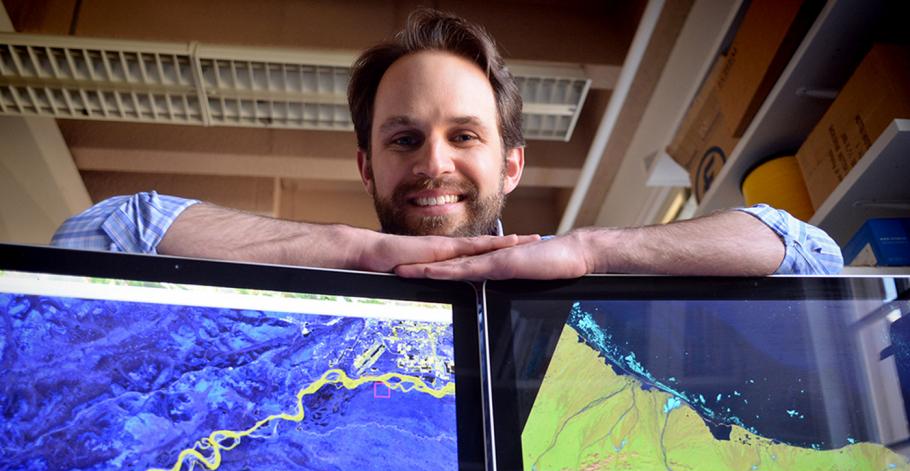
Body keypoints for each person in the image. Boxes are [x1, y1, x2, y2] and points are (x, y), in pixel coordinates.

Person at [51, 9, 843, 279]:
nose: (433, 163)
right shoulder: (323, 282)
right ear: (366, 166)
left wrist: (590, 251)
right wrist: (351, 249)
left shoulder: (576, 280)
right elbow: (97, 232)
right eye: (404, 139)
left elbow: (811, 252)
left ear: (512, 162)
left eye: (464, 135)